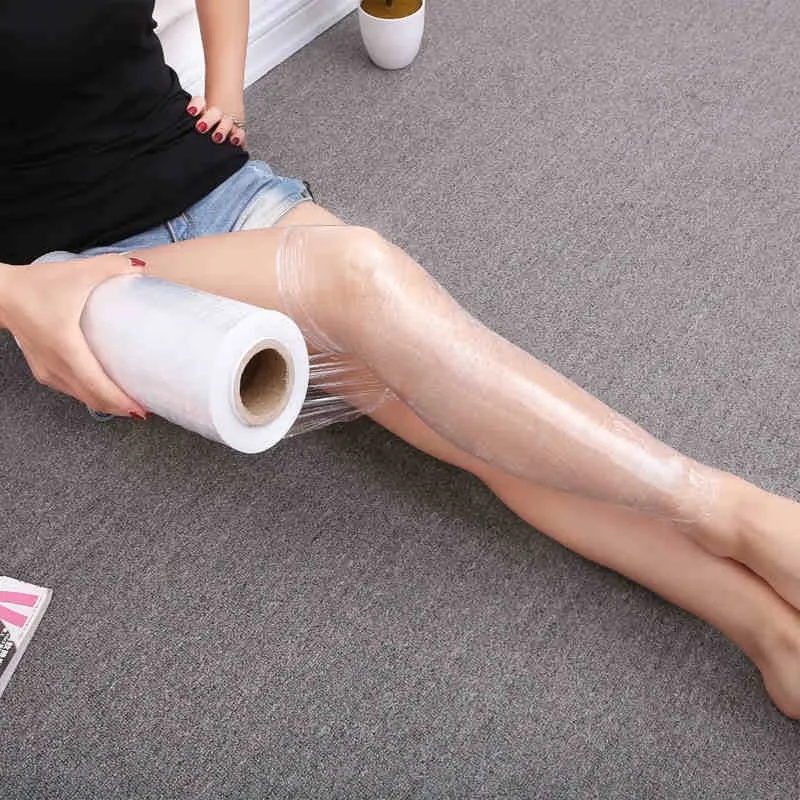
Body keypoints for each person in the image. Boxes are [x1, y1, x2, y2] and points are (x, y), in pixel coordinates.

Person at [3, 0, 800, 717]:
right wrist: (16, 297)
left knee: (457, 400)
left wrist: (227, 93)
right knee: (361, 274)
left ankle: (768, 632)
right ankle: (737, 514)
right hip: (83, 270)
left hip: (216, 185)